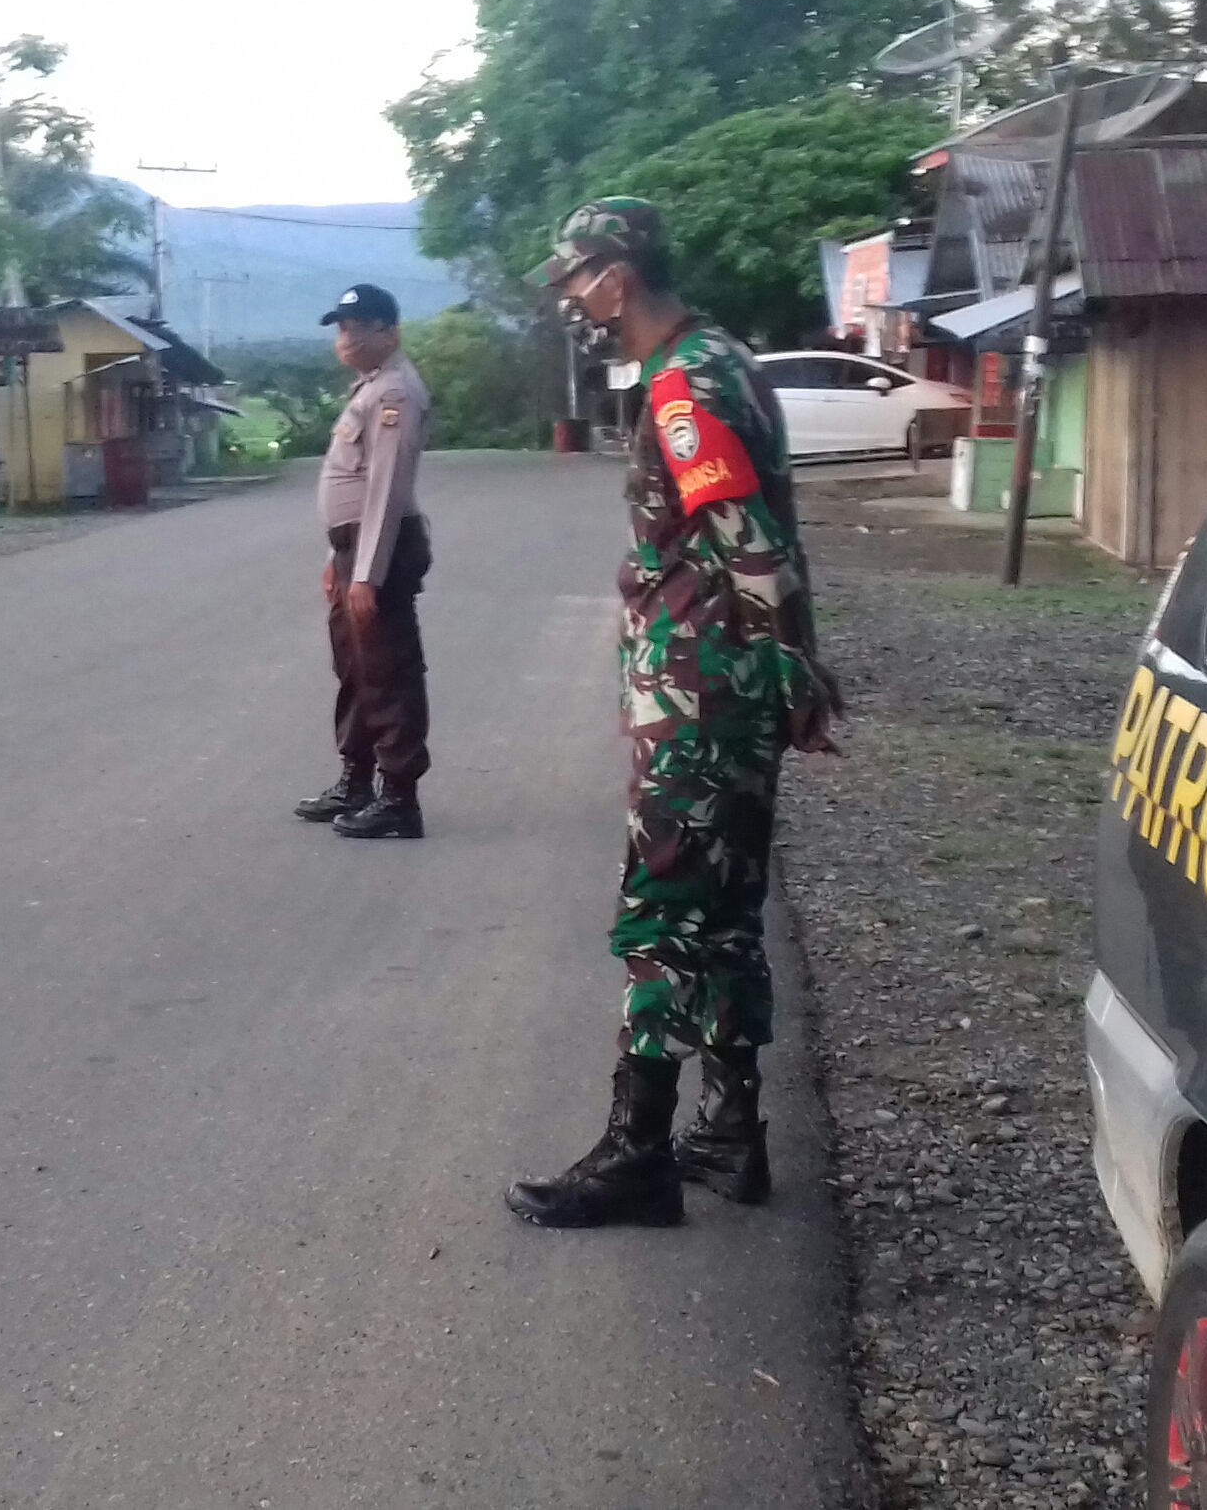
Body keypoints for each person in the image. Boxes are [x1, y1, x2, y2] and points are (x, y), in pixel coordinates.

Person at [505, 199, 840, 1229]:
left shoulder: (686, 386)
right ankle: (730, 1130)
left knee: (660, 914)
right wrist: (790, 670)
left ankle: (637, 1151)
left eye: (575, 280)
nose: (570, 300)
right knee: (724, 915)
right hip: (722, 686)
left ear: (616, 275)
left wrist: (787, 667)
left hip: (698, 693)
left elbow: (745, 543)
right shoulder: (721, 360)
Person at [293, 283, 432, 840]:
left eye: (357, 327)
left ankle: (399, 797)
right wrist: (338, 557)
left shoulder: (395, 392)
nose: (345, 339)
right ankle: (356, 781)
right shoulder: (371, 389)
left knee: (388, 671)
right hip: (355, 548)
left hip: (382, 548)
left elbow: (386, 491)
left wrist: (367, 573)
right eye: (341, 328)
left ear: (389, 333)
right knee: (354, 668)